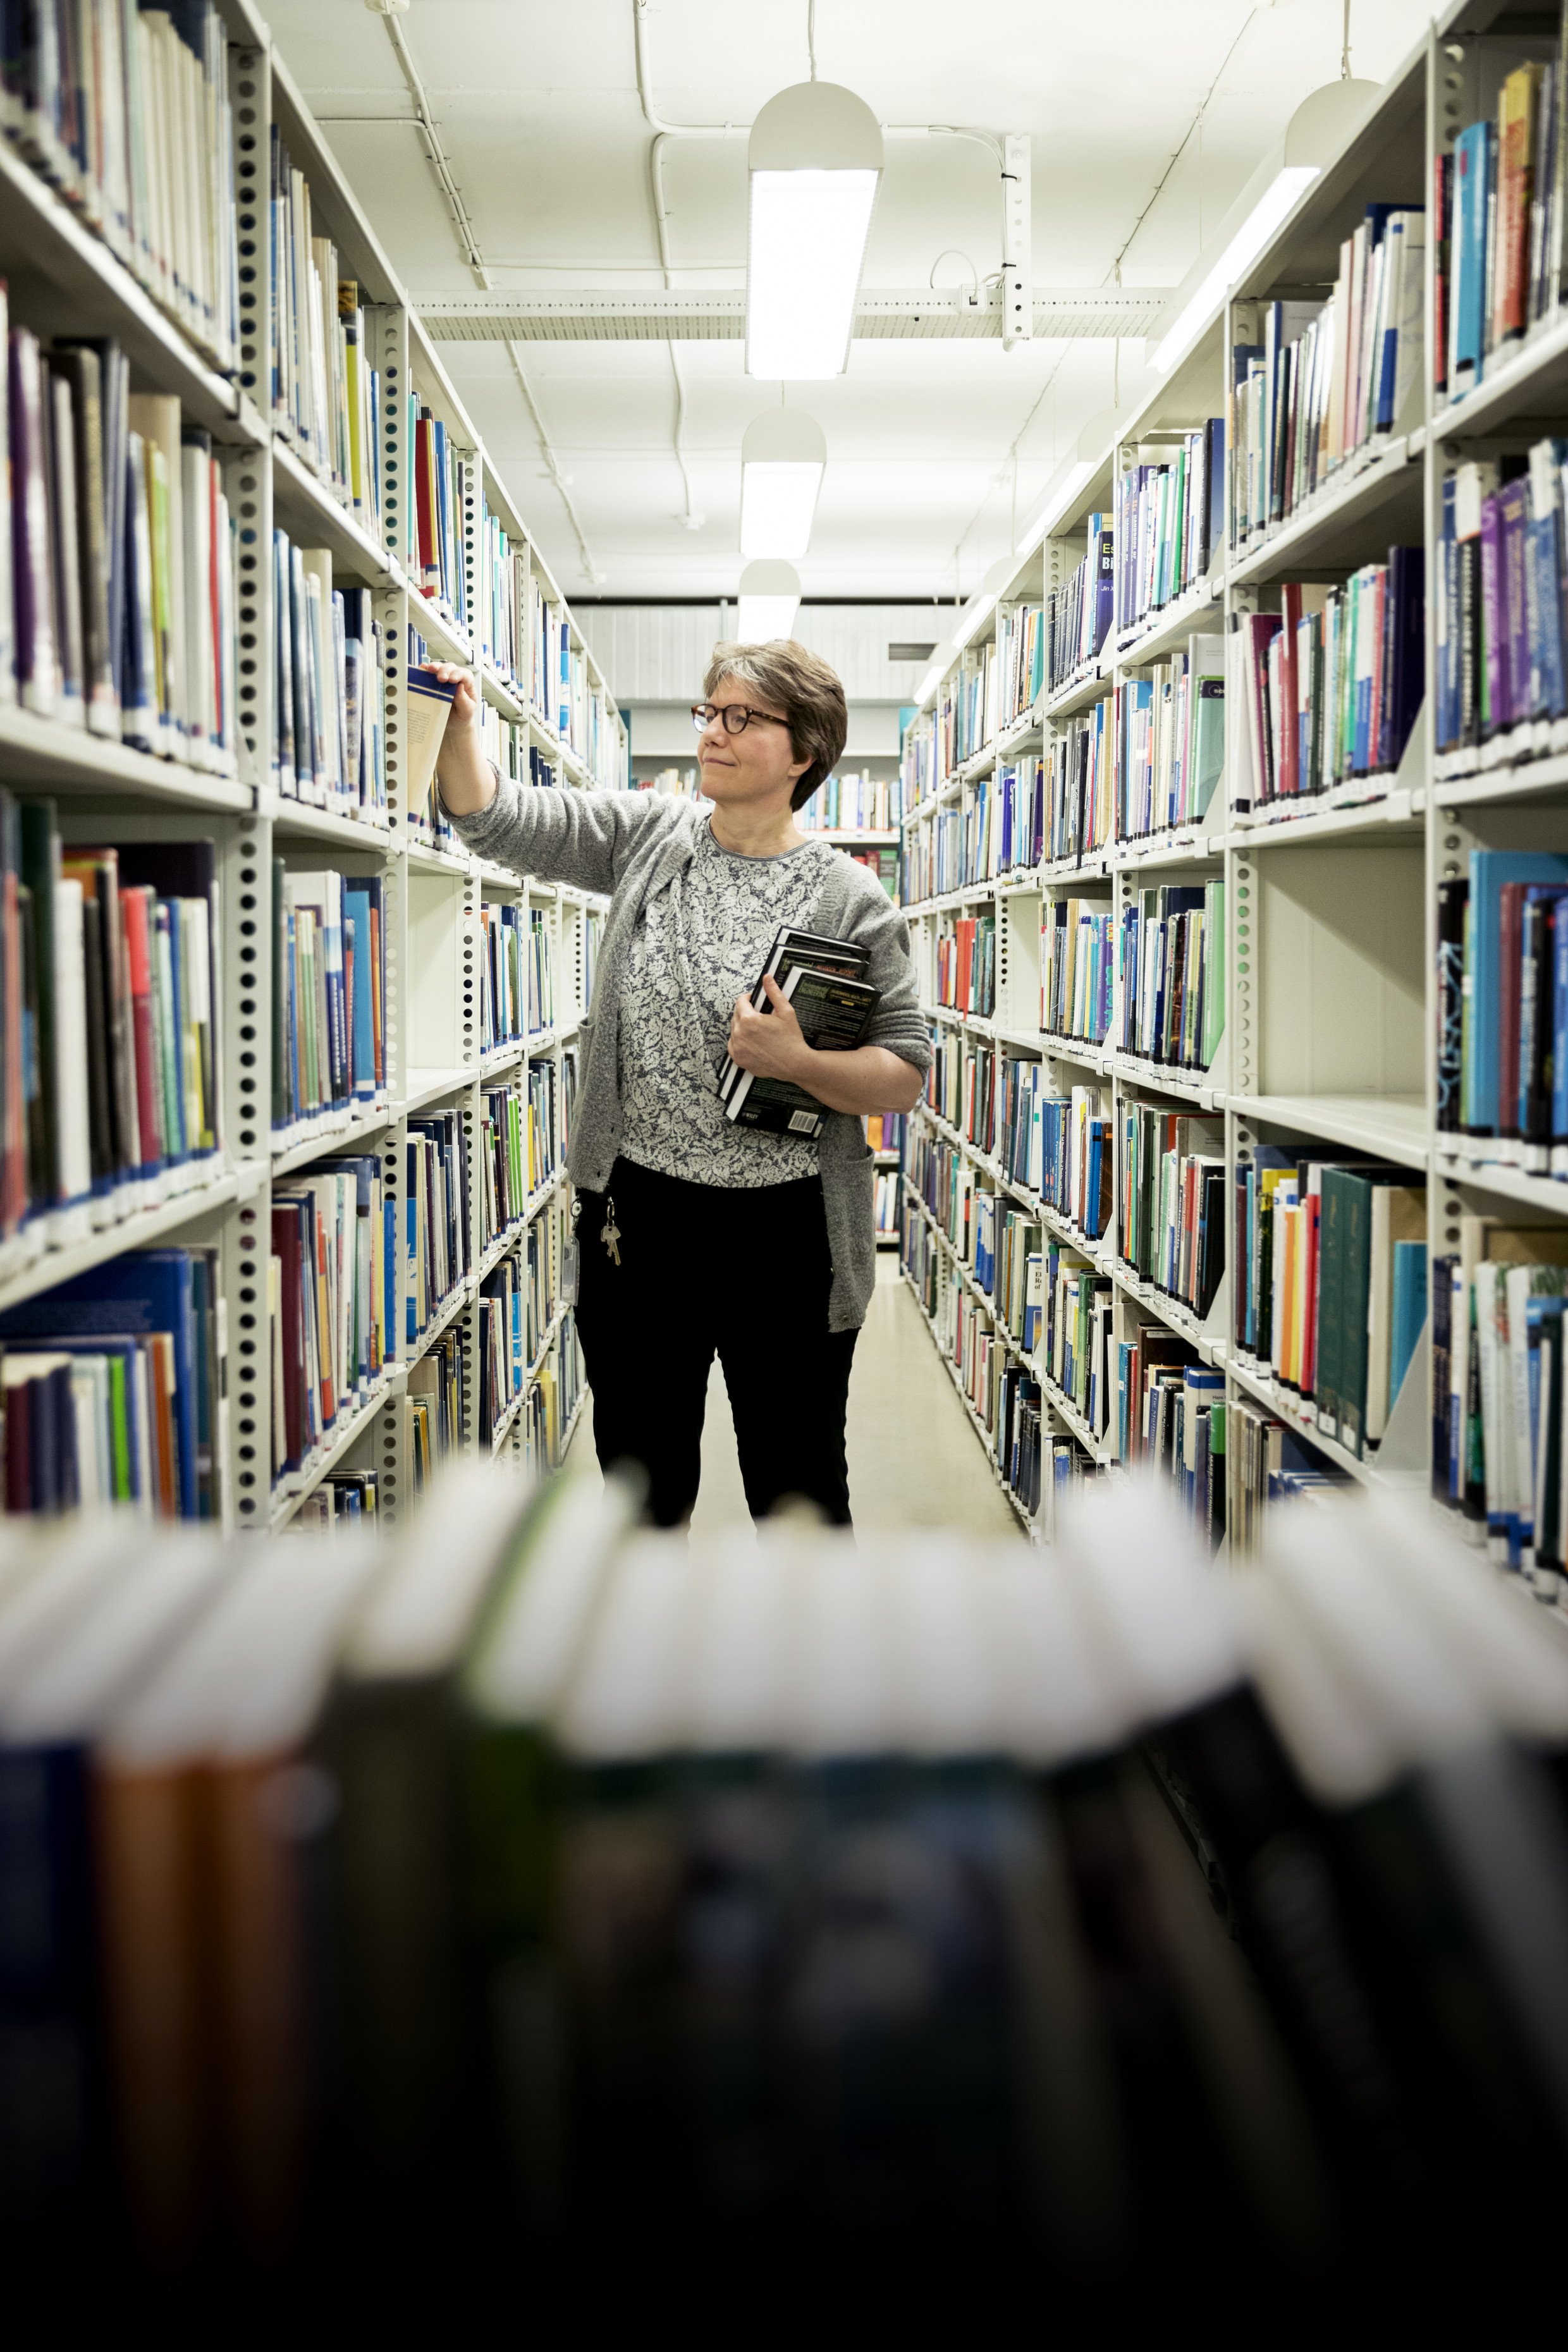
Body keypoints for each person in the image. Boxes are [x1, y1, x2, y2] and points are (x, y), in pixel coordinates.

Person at [430, 638, 928, 1526]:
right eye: (710, 712)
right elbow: (498, 820)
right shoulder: (647, 838)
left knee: (798, 1486)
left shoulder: (852, 898)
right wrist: (462, 727)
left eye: (744, 718)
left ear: (804, 753)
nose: (713, 733)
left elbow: (902, 1074)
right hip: (638, 1224)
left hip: (791, 1233)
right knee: (639, 1486)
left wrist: (799, 1063)